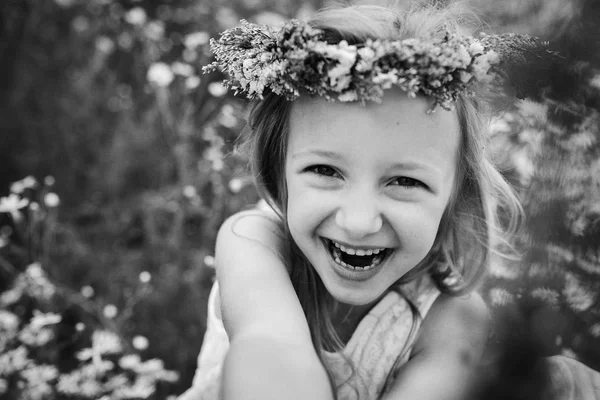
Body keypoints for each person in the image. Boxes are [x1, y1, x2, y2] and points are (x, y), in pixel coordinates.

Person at [177, 2, 541, 400]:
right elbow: (271, 351)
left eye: (404, 180)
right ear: (278, 170)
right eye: (325, 171)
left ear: (457, 193)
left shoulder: (454, 322)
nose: (358, 221)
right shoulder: (253, 243)